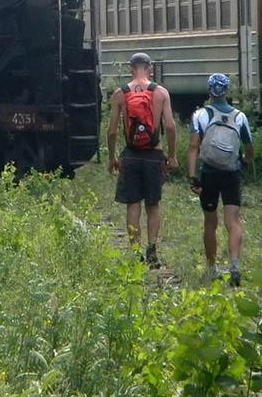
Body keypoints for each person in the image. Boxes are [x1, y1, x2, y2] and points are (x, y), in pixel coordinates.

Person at [107, 52, 178, 267]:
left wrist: (112, 158)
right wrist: (173, 156)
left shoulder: (121, 93)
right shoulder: (161, 93)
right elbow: (170, 126)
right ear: (151, 68)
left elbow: (111, 131)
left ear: (131, 69)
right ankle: (152, 249)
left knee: (133, 205)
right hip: (154, 154)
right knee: (153, 205)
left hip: (130, 155)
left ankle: (135, 252)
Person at [187, 73, 254, 286]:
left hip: (209, 173)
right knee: (232, 222)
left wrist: (192, 176)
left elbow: (193, 147)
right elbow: (249, 148)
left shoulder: (201, 115)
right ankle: (234, 264)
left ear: (209, 91)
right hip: (231, 173)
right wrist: (245, 160)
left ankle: (212, 267)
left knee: (210, 222)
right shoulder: (240, 116)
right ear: (227, 91)